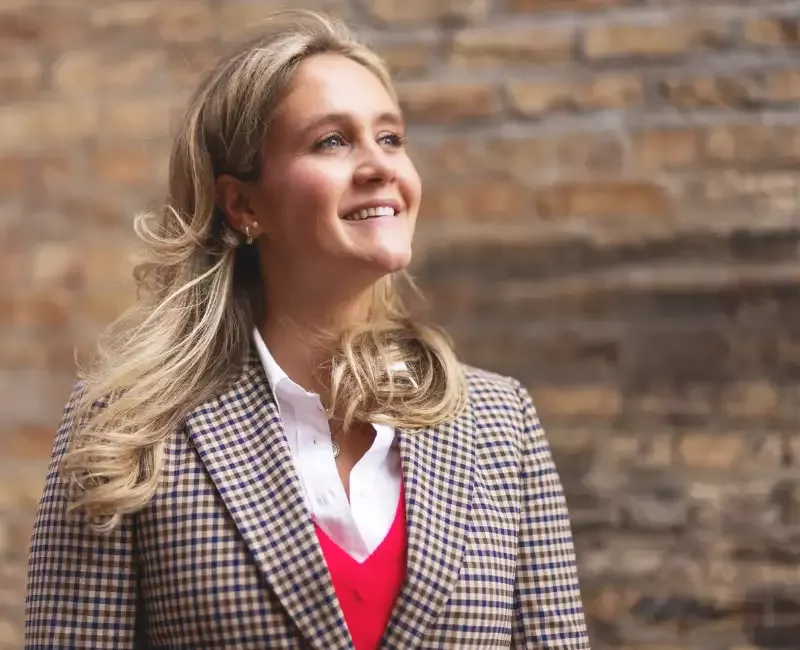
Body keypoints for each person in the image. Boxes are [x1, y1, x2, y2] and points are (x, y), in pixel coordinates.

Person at [25, 10, 590, 649]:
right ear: (243, 204)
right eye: (332, 141)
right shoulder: (128, 428)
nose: (380, 166)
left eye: (391, 138)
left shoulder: (499, 423)